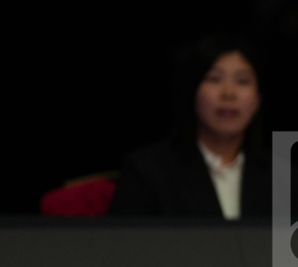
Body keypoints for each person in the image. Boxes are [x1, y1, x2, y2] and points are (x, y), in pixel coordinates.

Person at [110, 34, 272, 219]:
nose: (229, 93)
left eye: (242, 81)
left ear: (258, 99)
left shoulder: (286, 181)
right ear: (192, 91)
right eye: (215, 79)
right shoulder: (147, 173)